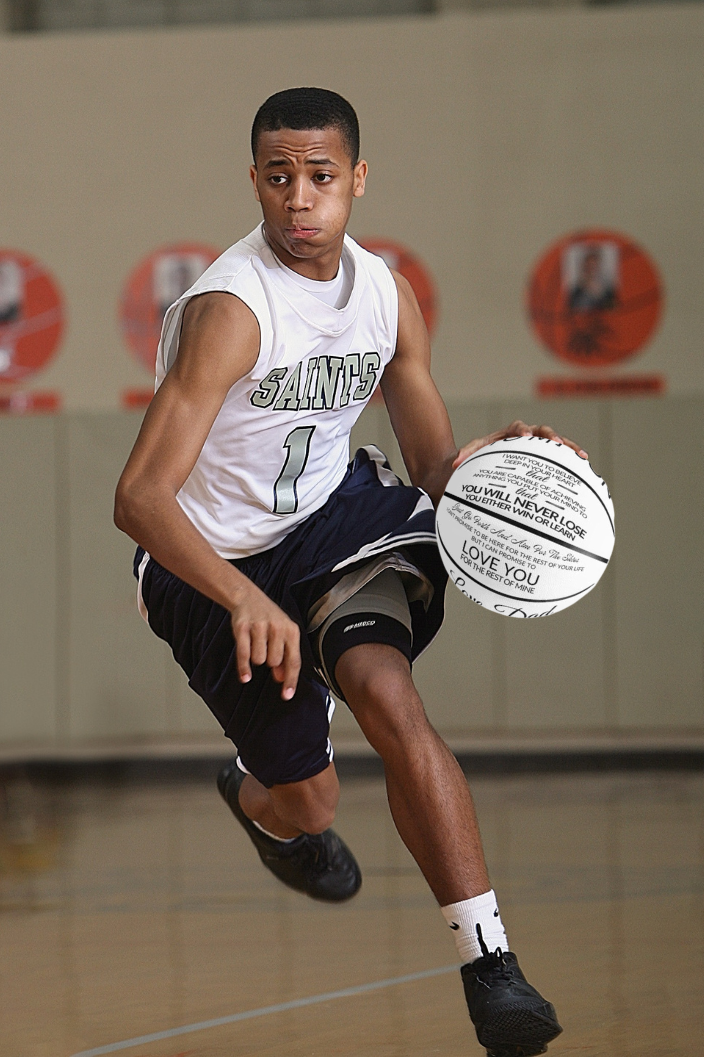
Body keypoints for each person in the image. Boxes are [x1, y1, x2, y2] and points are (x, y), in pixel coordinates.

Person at [114, 88, 586, 1057]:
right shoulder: (230, 314)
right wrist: (243, 597)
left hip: (333, 521)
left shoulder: (386, 297)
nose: (299, 199)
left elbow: (433, 469)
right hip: (208, 560)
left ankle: (490, 965)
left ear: (357, 182)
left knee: (386, 692)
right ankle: (263, 804)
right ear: (254, 181)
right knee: (310, 800)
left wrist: (502, 471)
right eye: (279, 177)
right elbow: (140, 499)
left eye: (320, 177)